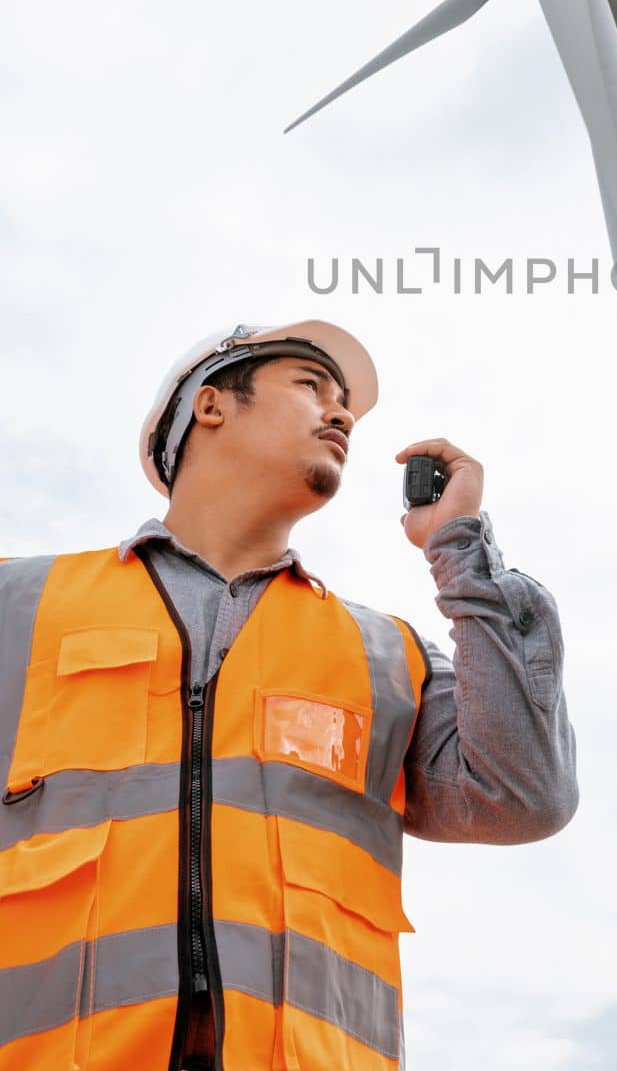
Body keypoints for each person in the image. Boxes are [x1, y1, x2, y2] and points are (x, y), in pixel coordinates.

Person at [0, 320, 578, 1070]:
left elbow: (521, 796)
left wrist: (462, 552)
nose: (340, 415)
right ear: (210, 405)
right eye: (311, 387)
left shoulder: (385, 655)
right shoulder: (21, 603)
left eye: (345, 403)